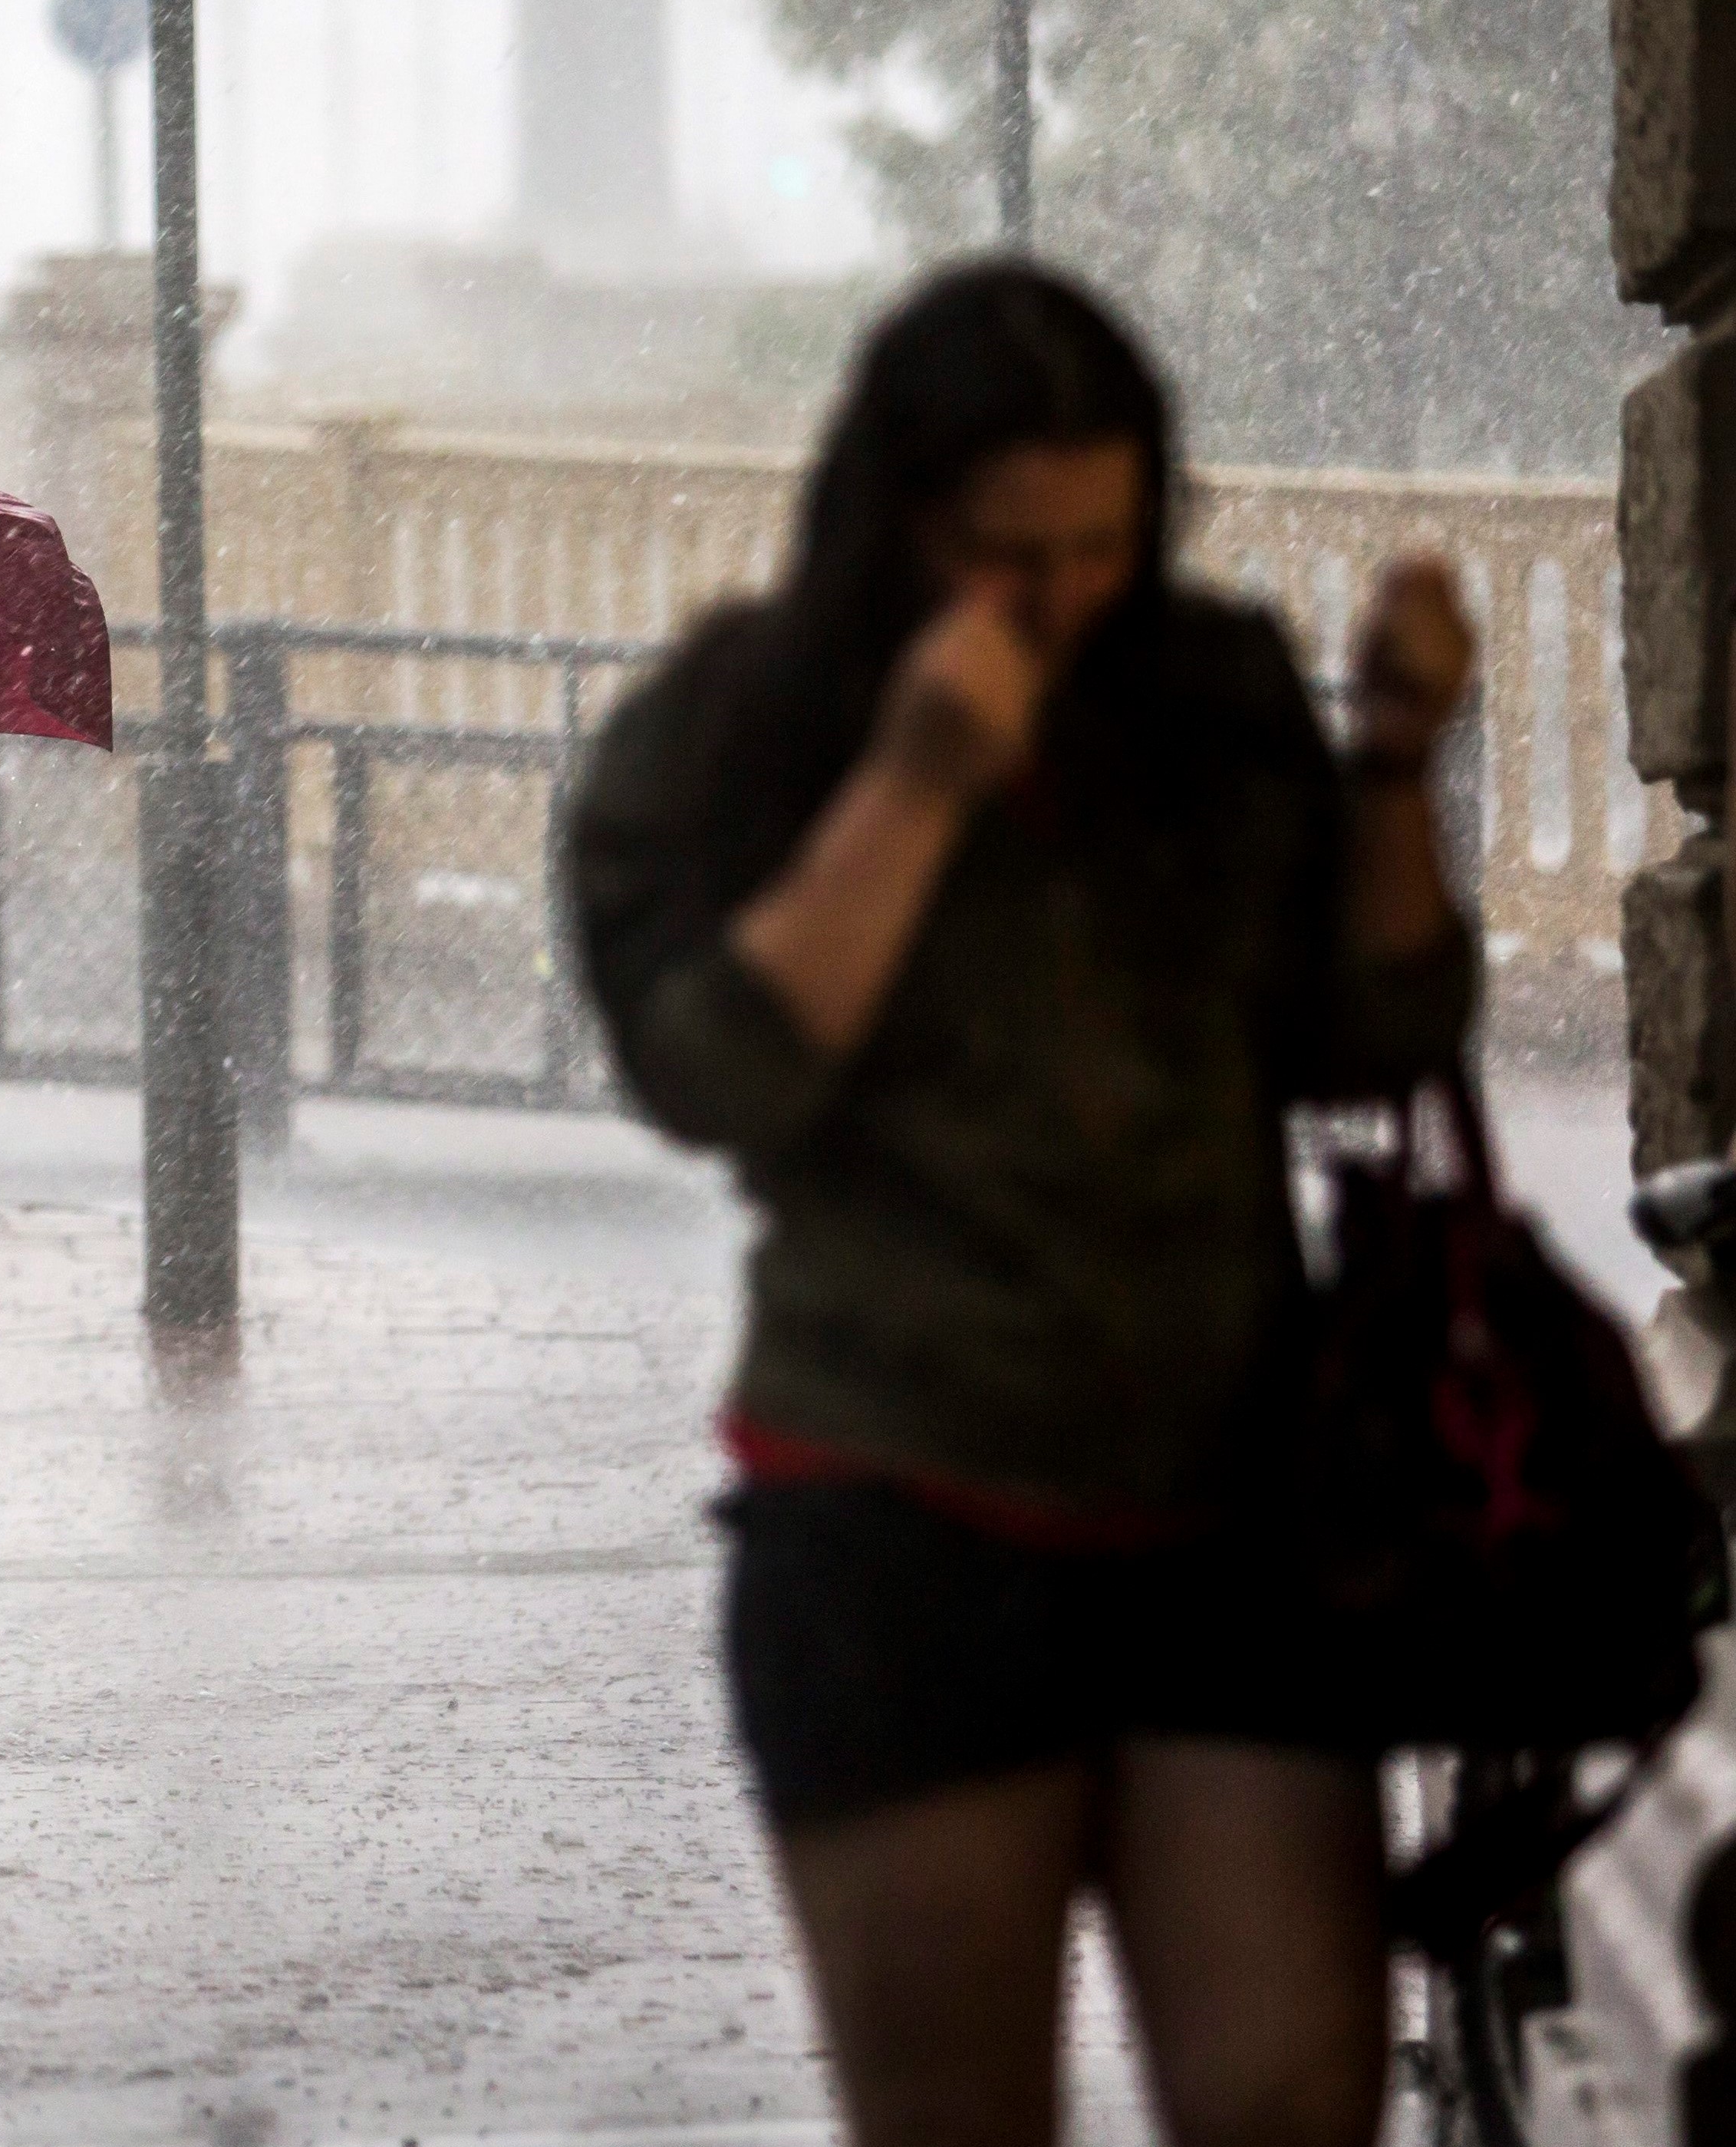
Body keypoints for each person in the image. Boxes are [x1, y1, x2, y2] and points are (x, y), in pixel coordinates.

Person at [568, 265, 1477, 2147]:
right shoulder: (733, 728)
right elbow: (714, 1071)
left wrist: (1389, 762)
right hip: (900, 1522)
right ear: (895, 517)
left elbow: (1368, 1025)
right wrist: (913, 782)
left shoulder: (1205, 696)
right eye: (1008, 550)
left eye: (1102, 546)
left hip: (1229, 1515)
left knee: (1292, 2097)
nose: (1064, 597)